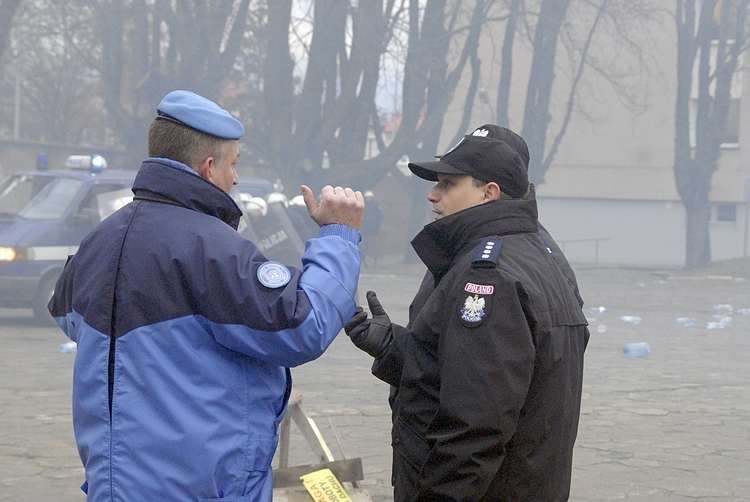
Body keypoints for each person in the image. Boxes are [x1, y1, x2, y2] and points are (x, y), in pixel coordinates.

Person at [48, 90, 365, 501]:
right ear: (209, 166)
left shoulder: (100, 240)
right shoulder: (211, 250)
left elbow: (66, 314)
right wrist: (338, 237)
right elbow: (303, 326)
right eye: (234, 164)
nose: (236, 178)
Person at [344, 132, 589, 500]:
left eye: (447, 184)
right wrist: (396, 348)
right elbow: (474, 372)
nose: (433, 194)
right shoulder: (534, 252)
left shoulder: (489, 274)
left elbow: (476, 424)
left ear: (488, 193)